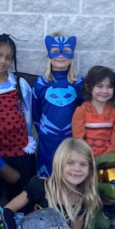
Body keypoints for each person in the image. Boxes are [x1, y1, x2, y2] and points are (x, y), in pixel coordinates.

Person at [5, 138, 102, 229]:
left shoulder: (82, 199)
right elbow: (7, 210)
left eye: (83, 164)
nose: (77, 168)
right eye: (70, 163)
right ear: (59, 163)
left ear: (90, 169)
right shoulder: (40, 187)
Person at [0, 33, 36, 203]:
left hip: (20, 151)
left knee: (22, 195)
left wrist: (28, 139)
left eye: (8, 57)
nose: (3, 61)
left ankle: (19, 219)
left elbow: (28, 113)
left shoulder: (19, 83)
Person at [34, 33, 85, 176]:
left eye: (66, 51)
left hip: (72, 140)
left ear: (72, 55)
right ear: (48, 56)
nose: (61, 55)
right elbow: (36, 113)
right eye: (55, 51)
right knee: (48, 178)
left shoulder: (79, 83)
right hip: (47, 141)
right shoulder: (40, 83)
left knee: (70, 177)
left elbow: (84, 111)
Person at [72, 66, 115, 157]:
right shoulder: (81, 111)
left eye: (109, 87)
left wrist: (103, 160)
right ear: (88, 87)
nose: (105, 91)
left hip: (107, 161)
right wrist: (88, 159)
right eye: (100, 86)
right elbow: (78, 140)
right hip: (85, 159)